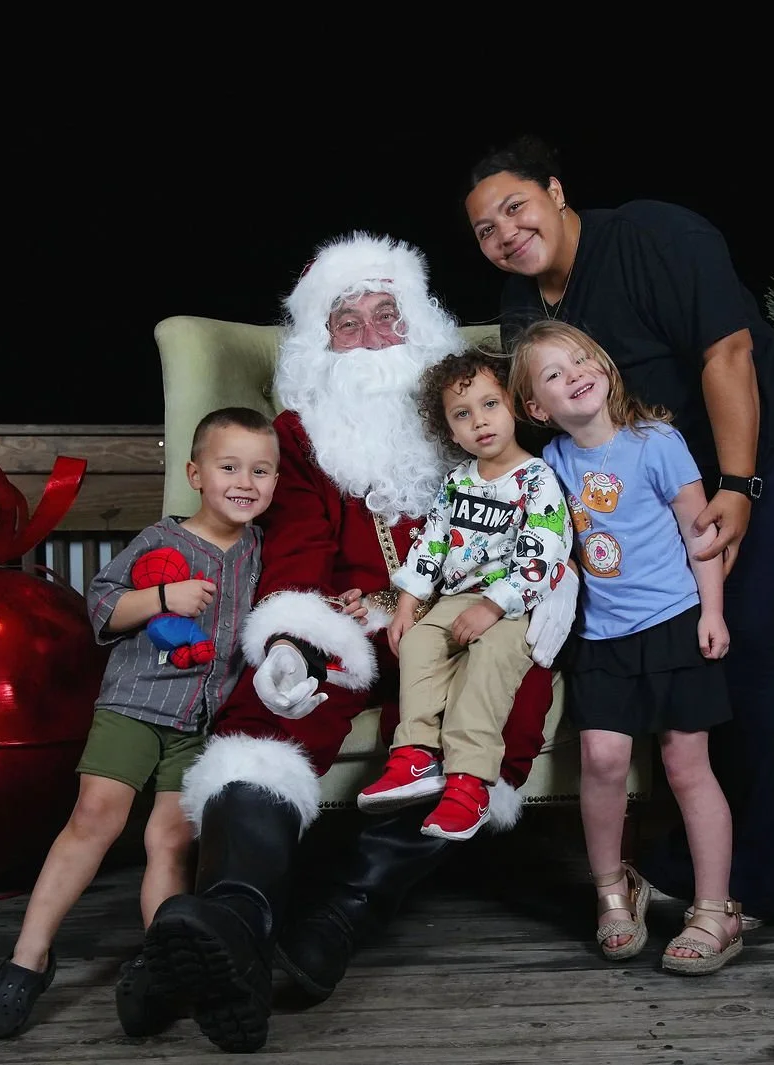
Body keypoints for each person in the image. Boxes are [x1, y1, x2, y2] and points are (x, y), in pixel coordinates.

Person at [138, 232, 579, 1054]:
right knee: (271, 707)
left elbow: (528, 534)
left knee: (493, 712)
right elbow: (299, 550)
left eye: (388, 315)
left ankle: (337, 922)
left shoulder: (470, 418)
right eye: (349, 321)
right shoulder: (300, 439)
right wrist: (296, 637)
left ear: (421, 327)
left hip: (466, 620)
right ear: (318, 344)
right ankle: (237, 913)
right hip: (348, 622)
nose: (373, 337)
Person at [465, 134, 774, 927]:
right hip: (676, 475)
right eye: (485, 229)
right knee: (675, 642)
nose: (506, 233)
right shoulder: (520, 308)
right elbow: (549, 433)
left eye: (516, 207)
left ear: (555, 189)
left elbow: (729, 354)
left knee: (742, 637)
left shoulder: (653, 235)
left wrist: (741, 487)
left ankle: (769, 880)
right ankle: (694, 852)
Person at [0, 406, 279, 1040]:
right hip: (134, 707)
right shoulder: (163, 540)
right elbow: (102, 606)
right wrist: (165, 597)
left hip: (201, 722)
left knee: (170, 842)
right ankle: (28, 959)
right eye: (229, 467)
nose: (245, 481)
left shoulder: (260, 552)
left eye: (262, 470)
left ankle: (162, 962)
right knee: (95, 819)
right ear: (196, 473)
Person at [511, 320, 741, 973]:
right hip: (601, 636)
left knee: (686, 766)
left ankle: (714, 908)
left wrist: (713, 611)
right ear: (537, 407)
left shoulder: (656, 442)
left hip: (674, 623)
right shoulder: (550, 464)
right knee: (604, 758)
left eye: (583, 359)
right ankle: (614, 890)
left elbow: (702, 535)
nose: (574, 375)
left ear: (605, 367)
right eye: (553, 375)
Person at [358, 349, 572, 841]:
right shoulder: (456, 483)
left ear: (513, 406)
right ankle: (413, 755)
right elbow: (431, 542)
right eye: (462, 414)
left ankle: (469, 782)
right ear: (450, 432)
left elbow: (544, 550)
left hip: (513, 603)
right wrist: (408, 602)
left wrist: (494, 606)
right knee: (417, 643)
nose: (479, 421)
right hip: (456, 598)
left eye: (489, 404)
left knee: (487, 665)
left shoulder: (536, 479)